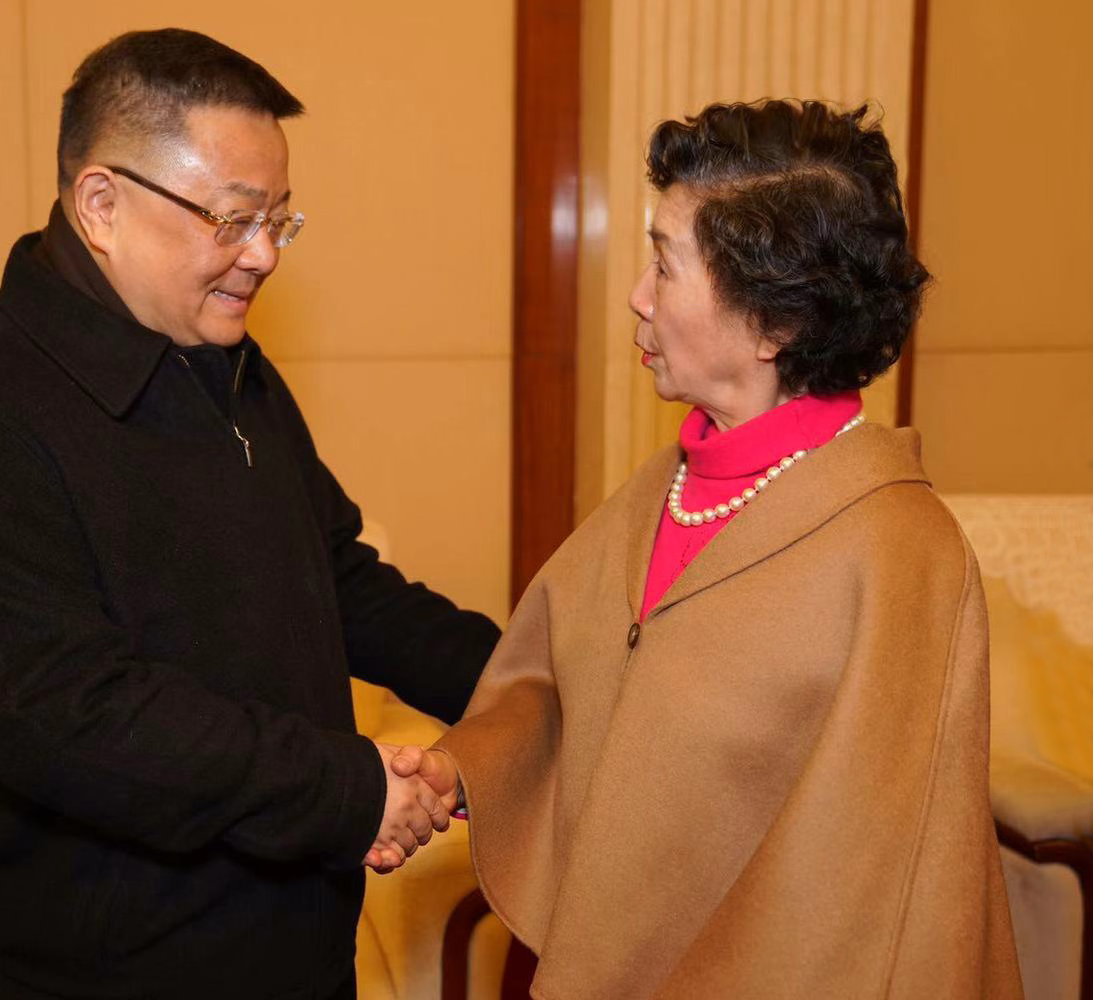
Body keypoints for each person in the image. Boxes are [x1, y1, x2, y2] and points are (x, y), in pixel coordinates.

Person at [0, 28, 499, 1000]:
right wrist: (349, 790)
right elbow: (76, 720)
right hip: (116, 975)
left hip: (300, 945)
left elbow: (337, 580)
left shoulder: (225, 364)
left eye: (279, 220)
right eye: (233, 219)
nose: (263, 255)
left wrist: (523, 681)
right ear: (101, 205)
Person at [385, 100, 1023, 998]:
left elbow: (878, 887)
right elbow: (561, 688)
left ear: (775, 324)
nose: (637, 295)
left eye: (664, 263)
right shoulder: (663, 487)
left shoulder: (898, 552)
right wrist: (462, 766)